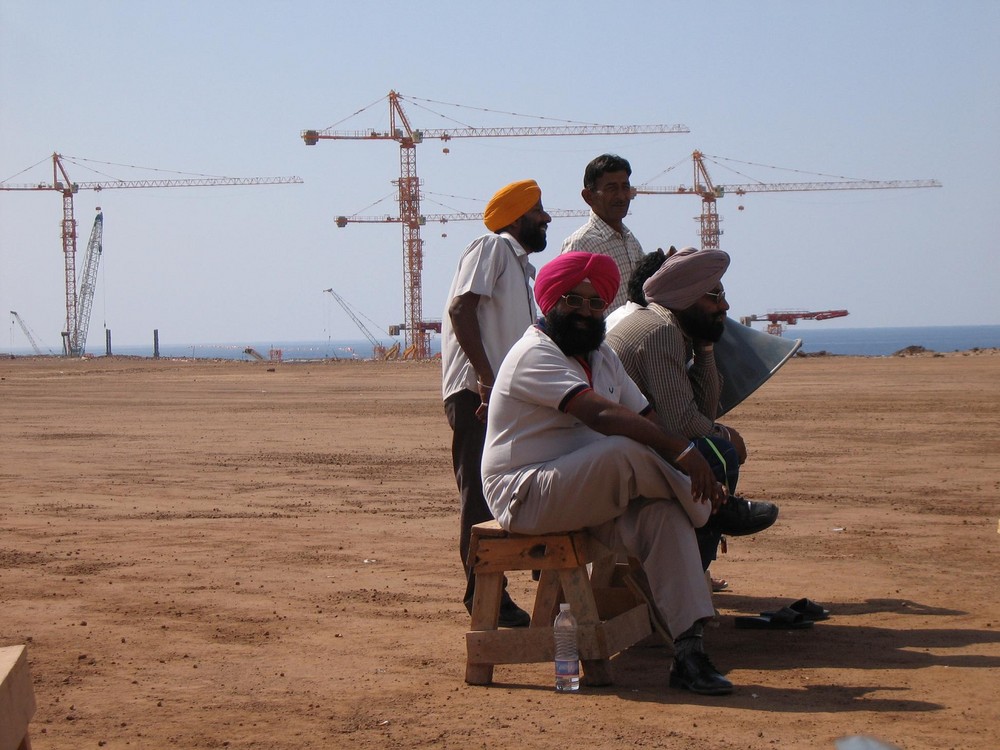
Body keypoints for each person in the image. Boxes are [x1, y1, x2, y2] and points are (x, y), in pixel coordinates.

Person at [482, 251, 734, 696]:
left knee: (664, 516)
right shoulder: (532, 355)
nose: (584, 311)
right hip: (525, 494)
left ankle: (689, 653)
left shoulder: (601, 355)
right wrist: (684, 454)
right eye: (572, 301)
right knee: (622, 450)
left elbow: (648, 415)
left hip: (587, 493)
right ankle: (713, 508)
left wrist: (683, 450)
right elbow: (600, 414)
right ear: (550, 303)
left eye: (595, 303)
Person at [605, 246, 779, 576]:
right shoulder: (659, 331)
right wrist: (724, 435)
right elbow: (682, 423)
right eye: (714, 296)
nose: (724, 306)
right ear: (687, 297)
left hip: (633, 441)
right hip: (617, 450)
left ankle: (704, 545)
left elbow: (704, 410)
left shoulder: (672, 328)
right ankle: (694, 568)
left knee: (713, 446)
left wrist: (706, 345)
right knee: (719, 453)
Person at [441, 179, 552, 628]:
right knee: (480, 496)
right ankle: (482, 593)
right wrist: (487, 380)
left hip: (503, 396)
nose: (546, 218)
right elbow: (460, 310)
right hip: (477, 394)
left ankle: (537, 573)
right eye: (538, 210)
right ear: (517, 217)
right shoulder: (492, 246)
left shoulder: (519, 268)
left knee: (511, 487)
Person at [560, 153, 645, 312]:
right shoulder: (581, 243)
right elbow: (566, 305)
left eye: (625, 187)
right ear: (588, 197)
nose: (621, 196)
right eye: (611, 189)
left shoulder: (631, 241)